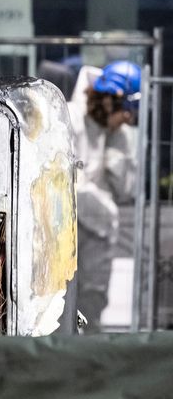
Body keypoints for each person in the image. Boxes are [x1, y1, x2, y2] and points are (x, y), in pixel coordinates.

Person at [67, 60, 141, 333]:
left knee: (91, 305)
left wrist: (115, 151)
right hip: (62, 228)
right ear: (108, 98)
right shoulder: (69, 118)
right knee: (55, 304)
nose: (128, 119)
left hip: (98, 234)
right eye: (125, 111)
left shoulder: (118, 135)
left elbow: (126, 190)